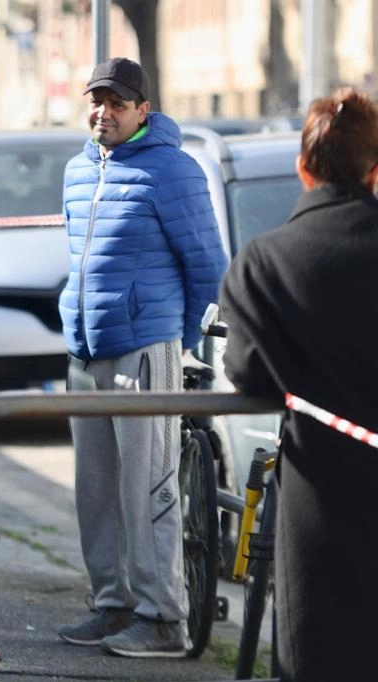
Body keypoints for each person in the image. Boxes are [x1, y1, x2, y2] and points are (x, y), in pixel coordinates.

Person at [56, 57, 228, 657]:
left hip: (145, 350)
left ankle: (164, 617)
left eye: (116, 103)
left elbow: (208, 269)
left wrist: (184, 346)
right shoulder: (79, 168)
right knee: (95, 490)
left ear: (141, 111)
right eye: (96, 100)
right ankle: (114, 604)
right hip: (86, 351)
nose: (103, 111)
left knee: (148, 490)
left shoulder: (173, 171)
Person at [219, 86, 378, 682]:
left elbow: (247, 369)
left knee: (321, 653)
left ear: (303, 170)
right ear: (375, 171)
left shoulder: (265, 261)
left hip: (322, 493)